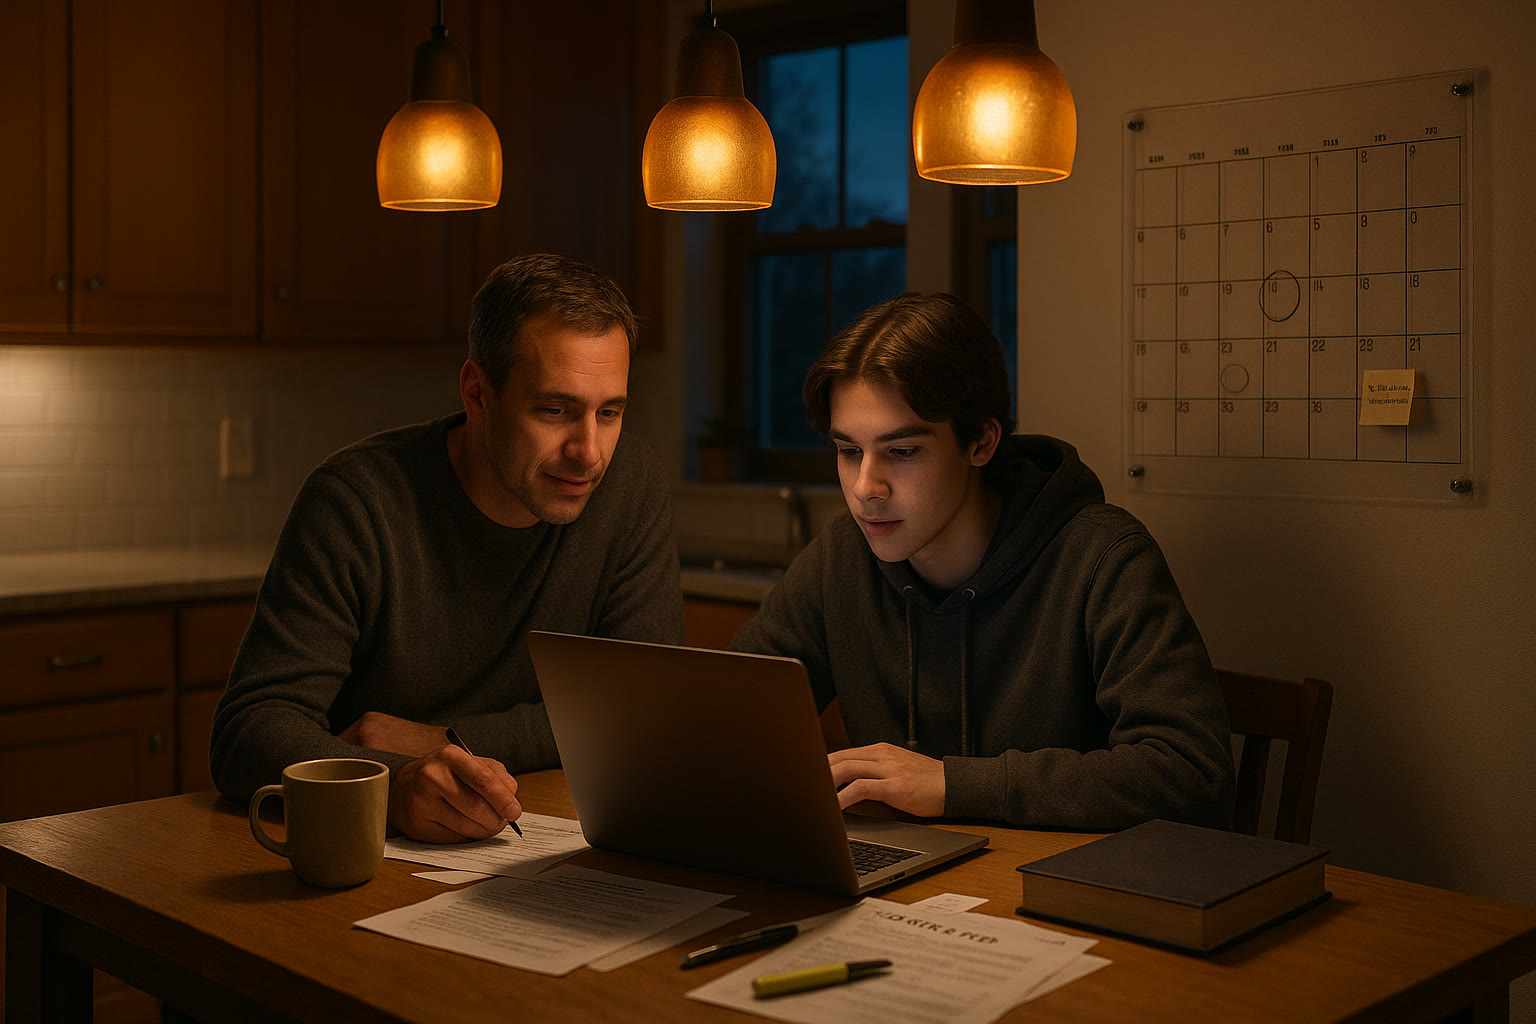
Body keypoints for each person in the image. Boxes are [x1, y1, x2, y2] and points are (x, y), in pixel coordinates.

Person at [211, 253, 684, 843]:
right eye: (555, 410)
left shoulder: (630, 485)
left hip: (542, 831)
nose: (589, 451)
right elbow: (249, 731)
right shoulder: (357, 501)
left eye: (609, 413)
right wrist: (395, 783)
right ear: (478, 394)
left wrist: (441, 740)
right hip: (362, 853)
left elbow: (646, 711)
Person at [731, 292, 1235, 831]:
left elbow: (1191, 772)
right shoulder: (841, 557)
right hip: (914, 888)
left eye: (902, 452)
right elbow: (731, 716)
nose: (864, 488)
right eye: (849, 450)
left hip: (1060, 889)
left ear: (981, 442)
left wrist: (955, 785)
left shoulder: (1102, 558)